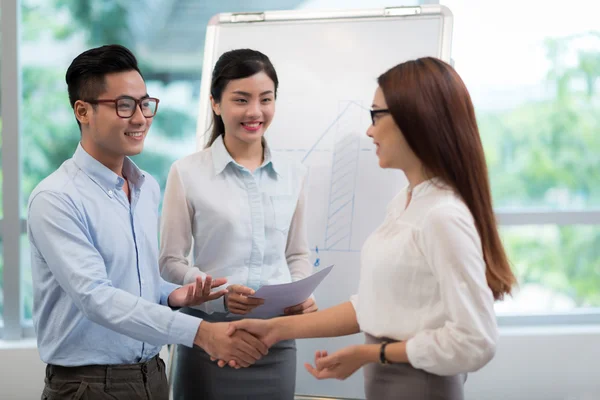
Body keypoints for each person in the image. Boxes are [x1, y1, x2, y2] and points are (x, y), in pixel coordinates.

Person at [224, 57, 518, 400]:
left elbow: (475, 342)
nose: (369, 129)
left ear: (416, 119)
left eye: (377, 115)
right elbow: (376, 305)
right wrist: (275, 329)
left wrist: (372, 354)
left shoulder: (442, 216)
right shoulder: (407, 202)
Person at [27, 44, 267, 400]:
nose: (140, 118)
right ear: (83, 111)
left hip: (153, 374)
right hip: (88, 387)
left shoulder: (145, 188)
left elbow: (132, 281)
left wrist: (172, 295)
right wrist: (199, 332)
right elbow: (98, 298)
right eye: (123, 105)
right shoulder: (57, 198)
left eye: (144, 103)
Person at [159, 48, 317, 400]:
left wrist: (303, 293)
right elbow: (170, 263)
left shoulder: (295, 174)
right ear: (216, 103)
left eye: (266, 99)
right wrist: (218, 296)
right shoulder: (186, 173)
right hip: (209, 338)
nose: (255, 112)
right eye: (241, 100)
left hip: (275, 339)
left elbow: (297, 254)